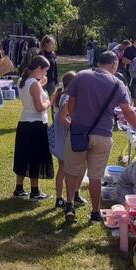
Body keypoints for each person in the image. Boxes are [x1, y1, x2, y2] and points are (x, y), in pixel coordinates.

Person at [63, 51, 136, 223]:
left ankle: (69, 205)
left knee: (72, 171)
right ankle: (95, 212)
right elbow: (128, 111)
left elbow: (70, 102)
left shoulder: (81, 76)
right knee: (96, 176)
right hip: (103, 135)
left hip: (78, 133)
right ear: (113, 65)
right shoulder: (117, 83)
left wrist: (75, 120)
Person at [13, 55, 54, 200]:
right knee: (35, 158)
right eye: (44, 71)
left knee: (23, 156)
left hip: (24, 122)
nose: (45, 74)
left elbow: (31, 93)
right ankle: (35, 191)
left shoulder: (22, 81)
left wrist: (40, 84)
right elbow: (38, 107)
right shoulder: (34, 84)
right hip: (35, 124)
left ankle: (19, 188)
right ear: (38, 69)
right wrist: (49, 102)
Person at [49, 71, 86, 208]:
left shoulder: (61, 95)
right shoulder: (68, 97)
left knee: (63, 168)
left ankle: (61, 197)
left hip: (59, 137)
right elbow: (63, 117)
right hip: (65, 138)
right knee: (73, 167)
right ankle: (72, 194)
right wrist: (73, 128)